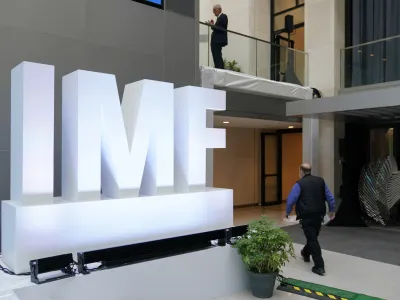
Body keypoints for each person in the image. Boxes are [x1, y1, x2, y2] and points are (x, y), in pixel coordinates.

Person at [286, 163, 335, 276]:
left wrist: (288, 212)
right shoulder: (321, 181)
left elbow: (291, 199)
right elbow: (330, 197)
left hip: (306, 215)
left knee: (312, 238)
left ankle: (319, 266)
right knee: (313, 236)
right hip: (319, 215)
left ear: (301, 171)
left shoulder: (299, 184)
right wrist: (331, 210)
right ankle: (305, 253)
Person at [207, 5, 228, 69]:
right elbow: (217, 28)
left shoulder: (223, 16)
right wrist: (213, 25)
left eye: (214, 10)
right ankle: (218, 69)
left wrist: (213, 25)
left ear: (219, 9)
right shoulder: (219, 18)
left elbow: (222, 28)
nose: (213, 12)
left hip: (218, 40)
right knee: (216, 56)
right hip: (216, 41)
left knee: (217, 56)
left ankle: (220, 69)